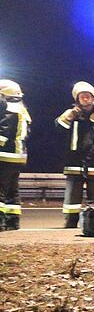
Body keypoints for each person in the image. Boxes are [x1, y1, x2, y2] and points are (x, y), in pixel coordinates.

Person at [55, 81, 94, 228]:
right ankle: (70, 223)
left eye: (88, 96)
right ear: (77, 99)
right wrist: (70, 115)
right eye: (82, 97)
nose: (85, 99)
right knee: (73, 195)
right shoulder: (71, 115)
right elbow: (58, 128)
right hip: (74, 161)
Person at [0, 79, 31, 231]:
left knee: (1, 189)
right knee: (12, 190)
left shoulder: (10, 110)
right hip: (18, 156)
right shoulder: (22, 110)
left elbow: (4, 134)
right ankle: (13, 222)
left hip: (5, 155)